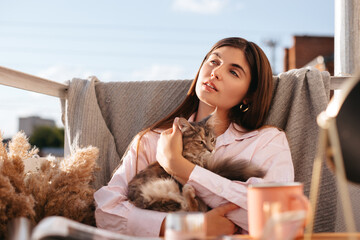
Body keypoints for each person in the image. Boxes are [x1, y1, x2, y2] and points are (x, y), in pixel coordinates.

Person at [94, 37, 294, 237]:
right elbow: (106, 212)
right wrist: (191, 227)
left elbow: (277, 218)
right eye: (214, 61)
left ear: (248, 95)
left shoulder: (267, 141)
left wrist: (178, 166)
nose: (215, 72)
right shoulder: (153, 139)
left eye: (233, 72)